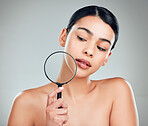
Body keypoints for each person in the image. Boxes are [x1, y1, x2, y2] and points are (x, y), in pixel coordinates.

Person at [7, 5, 139, 126]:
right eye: (82, 38)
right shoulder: (25, 103)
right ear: (63, 37)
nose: (89, 51)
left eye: (101, 47)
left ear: (106, 58)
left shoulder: (117, 91)